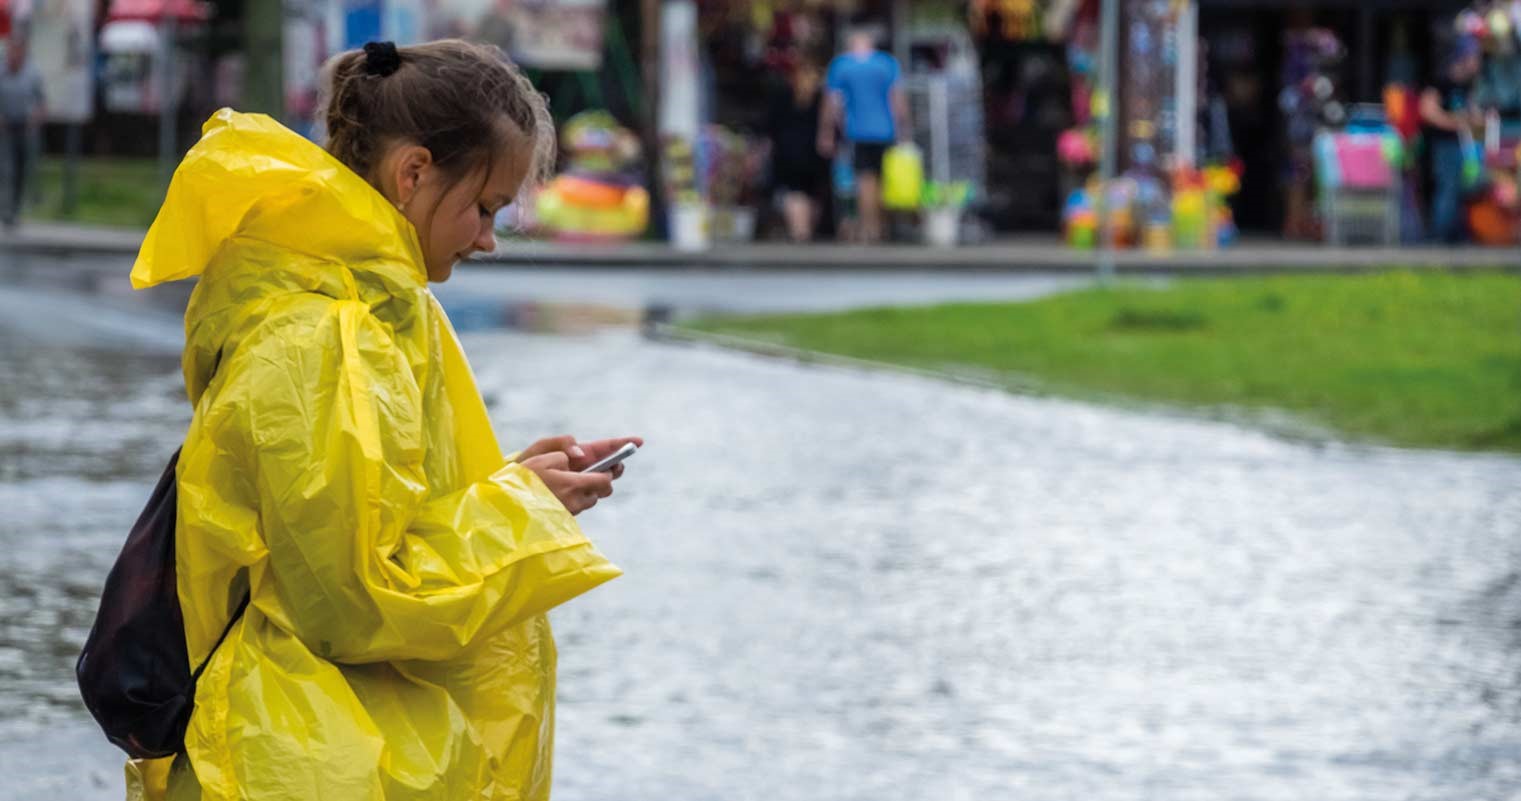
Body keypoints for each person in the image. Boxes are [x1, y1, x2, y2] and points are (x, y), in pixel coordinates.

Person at [124, 40, 638, 801]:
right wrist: (520, 513)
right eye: (485, 206)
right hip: (304, 764)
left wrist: (513, 485)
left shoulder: (361, 309)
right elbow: (352, 600)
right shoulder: (325, 338)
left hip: (327, 753)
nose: (488, 237)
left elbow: (361, 526)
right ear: (414, 172)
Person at [819, 25, 907, 244]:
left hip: (858, 131)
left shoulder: (841, 65)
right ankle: (883, 227)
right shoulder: (887, 64)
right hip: (887, 131)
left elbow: (832, 103)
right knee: (885, 182)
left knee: (865, 182)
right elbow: (898, 101)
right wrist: (904, 130)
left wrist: (826, 132)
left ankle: (871, 229)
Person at [1421, 36, 1483, 244]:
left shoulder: (1467, 84)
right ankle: (1439, 236)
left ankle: (1457, 235)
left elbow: (1471, 111)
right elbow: (1427, 110)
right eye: (1475, 57)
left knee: (1461, 189)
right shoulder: (1442, 80)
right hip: (1443, 144)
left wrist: (1478, 120)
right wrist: (1454, 123)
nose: (1478, 63)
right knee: (1447, 188)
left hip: (1463, 145)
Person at [769, 61, 828, 241]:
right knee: (809, 194)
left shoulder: (784, 99)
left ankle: (800, 231)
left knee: (795, 193)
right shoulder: (820, 101)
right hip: (812, 154)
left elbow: (771, 127)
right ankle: (804, 230)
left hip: (789, 153)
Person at [0, 40, 44, 227]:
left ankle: (14, 211)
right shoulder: (1, 72)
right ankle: (6, 211)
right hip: (5, 129)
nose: (14, 57)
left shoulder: (32, 74)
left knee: (22, 172)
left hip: (26, 129)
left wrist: (36, 116)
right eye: (12, 53)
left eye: (18, 54)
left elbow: (41, 101)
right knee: (6, 171)